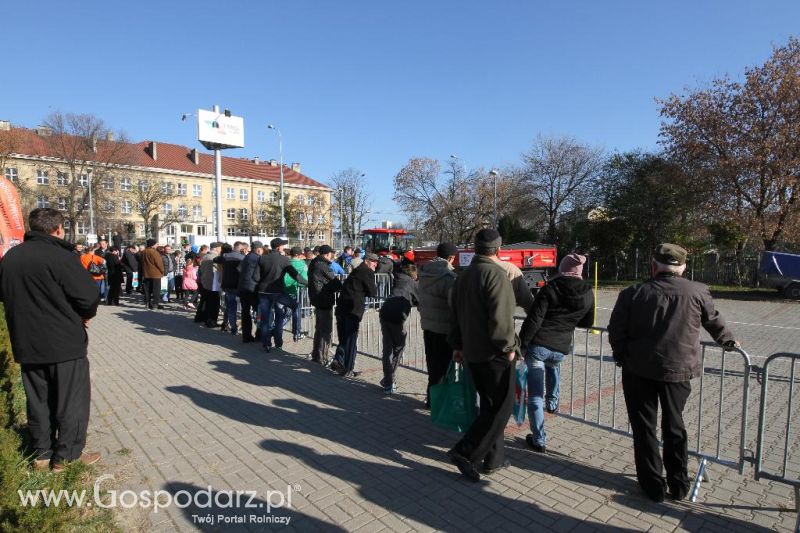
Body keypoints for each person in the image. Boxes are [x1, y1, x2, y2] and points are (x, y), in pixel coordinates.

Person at [608, 243, 737, 502]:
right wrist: (728, 341)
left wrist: (622, 356)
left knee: (644, 428)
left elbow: (616, 330)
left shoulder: (634, 292)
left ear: (653, 266)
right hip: (678, 371)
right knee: (674, 425)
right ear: (683, 267)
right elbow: (713, 320)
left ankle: (652, 485)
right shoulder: (698, 291)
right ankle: (679, 483)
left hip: (639, 370)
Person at [0, 208, 101, 471]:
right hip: (63, 342)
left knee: (38, 400)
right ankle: (66, 456)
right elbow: (88, 296)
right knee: (71, 401)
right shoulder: (61, 256)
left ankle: (42, 453)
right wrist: (83, 315)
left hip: (26, 341)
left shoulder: (11, 257)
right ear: (57, 229)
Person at [447, 229, 519, 482]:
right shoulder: (495, 274)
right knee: (501, 407)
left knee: (490, 406)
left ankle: (494, 458)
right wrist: (508, 347)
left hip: (472, 352)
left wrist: (457, 345)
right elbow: (501, 319)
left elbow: (453, 315)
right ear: (499, 250)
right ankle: (465, 452)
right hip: (494, 353)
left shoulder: (463, 276)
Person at [519, 253, 594, 454]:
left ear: (563, 268)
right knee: (553, 365)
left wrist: (523, 345)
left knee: (535, 395)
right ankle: (552, 402)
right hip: (561, 347)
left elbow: (534, 319)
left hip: (539, 346)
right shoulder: (588, 291)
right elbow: (588, 322)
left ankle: (539, 438)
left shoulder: (550, 288)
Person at [417, 242, 458, 408]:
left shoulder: (425, 272)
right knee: (444, 368)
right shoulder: (449, 277)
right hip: (444, 327)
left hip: (428, 325)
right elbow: (453, 303)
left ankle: (432, 398)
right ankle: (439, 402)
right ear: (451, 257)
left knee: (433, 365)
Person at [255, 238, 308, 352]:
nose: (283, 248)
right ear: (279, 247)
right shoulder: (284, 259)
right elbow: (295, 275)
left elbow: (255, 277)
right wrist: (308, 283)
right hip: (278, 293)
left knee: (265, 319)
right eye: (283, 246)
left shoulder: (262, 258)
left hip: (263, 292)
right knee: (288, 311)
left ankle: (266, 344)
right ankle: (291, 335)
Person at [331, 253, 379, 377]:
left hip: (342, 307)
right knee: (350, 339)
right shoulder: (366, 272)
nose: (376, 264)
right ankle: (347, 369)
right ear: (367, 261)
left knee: (344, 337)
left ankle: (338, 361)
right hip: (353, 309)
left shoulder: (357, 271)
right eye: (374, 261)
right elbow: (373, 291)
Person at [378, 262, 418, 394]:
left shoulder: (398, 279)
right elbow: (420, 300)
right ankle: (389, 380)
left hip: (385, 312)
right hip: (397, 316)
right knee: (399, 348)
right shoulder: (411, 283)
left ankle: (387, 380)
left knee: (387, 348)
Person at [307, 245, 343, 365]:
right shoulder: (323, 265)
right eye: (331, 254)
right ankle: (322, 357)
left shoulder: (314, 262)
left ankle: (316, 354)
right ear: (327, 254)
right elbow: (336, 283)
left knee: (319, 328)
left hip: (317, 298)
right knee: (326, 330)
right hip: (323, 299)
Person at [238, 241, 264, 343]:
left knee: (245, 312)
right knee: (259, 312)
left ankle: (246, 336)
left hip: (243, 287)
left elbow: (239, 269)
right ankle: (259, 335)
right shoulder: (257, 258)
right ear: (258, 249)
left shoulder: (246, 257)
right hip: (253, 289)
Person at [217, 242, 245, 335]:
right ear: (241, 248)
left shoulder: (225, 256)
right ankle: (241, 328)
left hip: (227, 284)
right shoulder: (242, 257)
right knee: (242, 308)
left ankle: (233, 329)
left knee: (230, 307)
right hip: (238, 285)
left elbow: (215, 259)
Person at [284, 246, 309, 342]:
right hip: (292, 290)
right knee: (292, 312)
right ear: (299, 255)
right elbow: (303, 279)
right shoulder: (302, 265)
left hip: (281, 289)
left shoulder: (286, 262)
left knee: (282, 313)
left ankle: (275, 329)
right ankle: (296, 333)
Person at [195, 242, 222, 327]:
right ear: (217, 248)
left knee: (205, 302)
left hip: (205, 283)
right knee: (213, 304)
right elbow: (217, 271)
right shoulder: (215, 257)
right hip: (213, 284)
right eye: (220, 248)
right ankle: (211, 321)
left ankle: (201, 318)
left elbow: (200, 271)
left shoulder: (205, 256)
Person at [141, 239, 165, 310]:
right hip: (155, 274)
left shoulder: (143, 252)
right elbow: (159, 263)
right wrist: (162, 271)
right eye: (156, 244)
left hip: (146, 273)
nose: (157, 245)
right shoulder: (154, 252)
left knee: (147, 289)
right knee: (156, 290)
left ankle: (147, 303)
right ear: (152, 245)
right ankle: (155, 304)